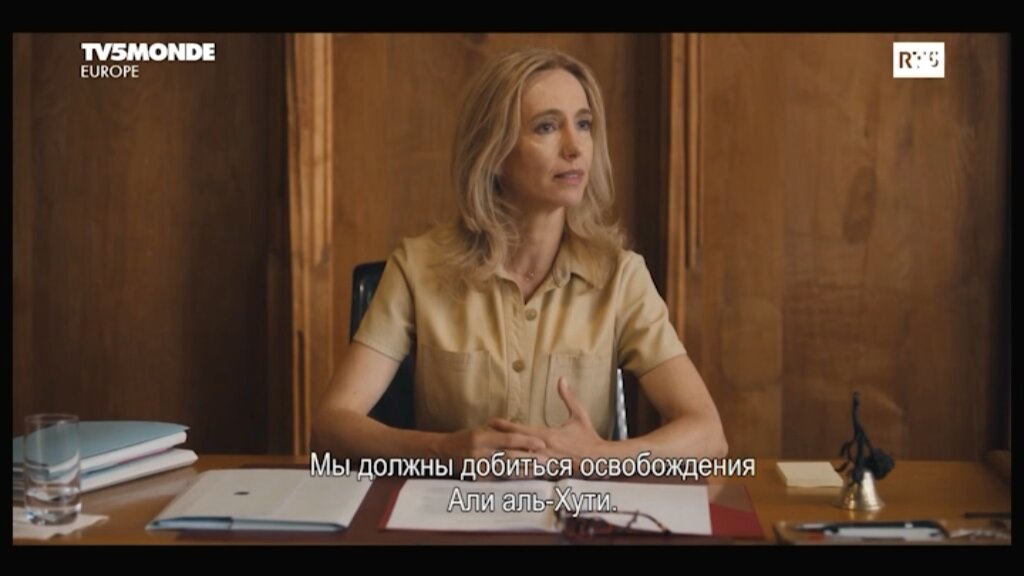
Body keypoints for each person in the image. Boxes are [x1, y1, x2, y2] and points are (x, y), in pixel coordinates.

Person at [312, 48, 727, 473]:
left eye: (583, 124)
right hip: (453, 506)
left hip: (575, 510)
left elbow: (709, 435)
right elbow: (330, 426)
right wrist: (442, 450)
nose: (575, 147)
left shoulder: (621, 277)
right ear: (493, 153)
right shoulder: (418, 268)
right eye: (546, 126)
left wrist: (599, 456)